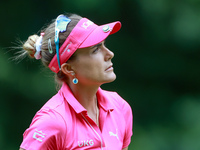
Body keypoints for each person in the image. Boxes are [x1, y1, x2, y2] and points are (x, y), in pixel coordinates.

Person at [19, 13, 133, 150]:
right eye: (95, 49)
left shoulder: (120, 107)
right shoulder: (51, 122)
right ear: (68, 68)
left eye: (103, 45)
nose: (109, 54)